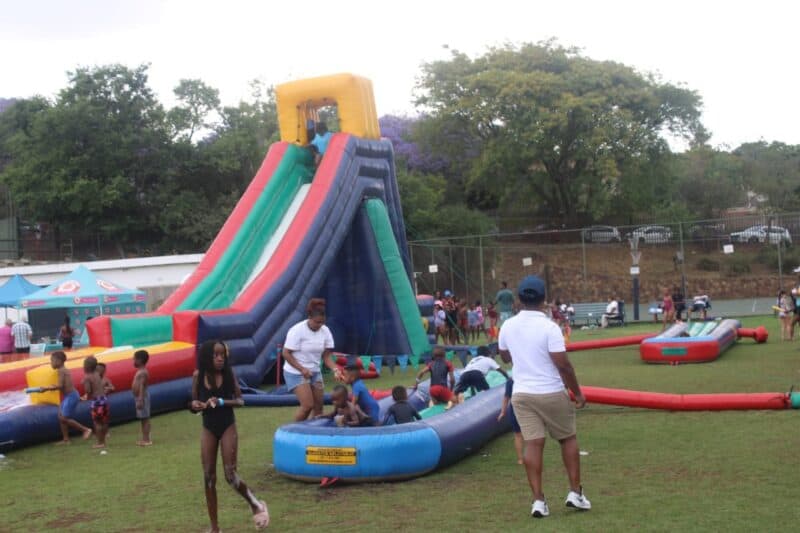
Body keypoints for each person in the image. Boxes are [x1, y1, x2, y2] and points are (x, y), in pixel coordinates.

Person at [499, 275, 591, 518]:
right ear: (544, 299)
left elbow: (505, 356)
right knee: (567, 438)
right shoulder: (550, 327)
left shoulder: (508, 325)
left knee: (533, 444)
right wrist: (577, 393)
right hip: (550, 391)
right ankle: (575, 493)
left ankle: (538, 501)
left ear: (518, 299)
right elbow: (563, 365)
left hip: (521, 394)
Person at [190, 340, 269, 532]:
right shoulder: (198, 376)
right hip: (208, 427)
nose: (219, 358)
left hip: (227, 425)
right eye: (215, 355)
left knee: (230, 475)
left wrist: (222, 401)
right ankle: (214, 527)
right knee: (208, 477)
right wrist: (196, 405)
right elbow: (193, 402)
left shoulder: (228, 374)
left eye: (222, 355)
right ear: (207, 356)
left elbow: (241, 401)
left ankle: (255, 504)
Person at [282, 298, 343, 421]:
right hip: (295, 372)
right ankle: (293, 432)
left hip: (315, 371)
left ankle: (314, 434)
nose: (320, 325)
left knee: (319, 407)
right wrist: (302, 369)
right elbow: (286, 353)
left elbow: (326, 356)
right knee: (307, 405)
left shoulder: (325, 331)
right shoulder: (297, 330)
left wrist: (335, 369)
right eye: (317, 322)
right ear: (309, 317)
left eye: (322, 322)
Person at [38, 350, 92, 444]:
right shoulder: (62, 370)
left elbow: (60, 385)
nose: (51, 363)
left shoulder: (61, 371)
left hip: (71, 396)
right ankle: (66, 439)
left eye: (52, 360)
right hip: (68, 396)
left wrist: (46, 388)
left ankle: (85, 430)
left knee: (63, 418)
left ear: (59, 361)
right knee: (60, 416)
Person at [81, 355, 109, 448]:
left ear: (86, 367)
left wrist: (85, 387)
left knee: (97, 422)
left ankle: (100, 443)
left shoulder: (87, 377)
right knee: (104, 421)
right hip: (104, 399)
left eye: (84, 365)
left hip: (96, 401)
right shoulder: (97, 374)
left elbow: (88, 390)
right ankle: (103, 441)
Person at [497, 378, 524, 464]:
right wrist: (503, 412)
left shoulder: (511, 380)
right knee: (526, 434)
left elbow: (506, 397)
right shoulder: (528, 377)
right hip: (525, 406)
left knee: (518, 434)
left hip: (516, 407)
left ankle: (521, 459)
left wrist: (503, 412)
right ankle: (524, 457)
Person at [132, 349, 152, 446]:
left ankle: (147, 439)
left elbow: (142, 386)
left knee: (145, 419)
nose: (133, 361)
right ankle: (145, 438)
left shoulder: (143, 372)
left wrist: (140, 399)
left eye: (134, 359)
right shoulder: (140, 371)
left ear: (140, 360)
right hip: (140, 397)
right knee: (143, 419)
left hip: (142, 397)